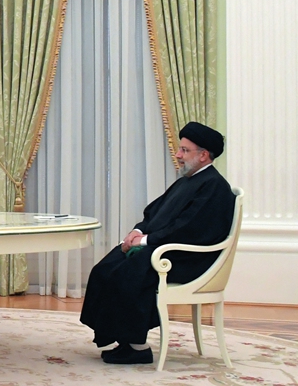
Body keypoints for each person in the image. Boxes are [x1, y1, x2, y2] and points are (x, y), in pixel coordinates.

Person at [80, 122, 236, 365]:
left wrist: (144, 241)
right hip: (165, 249)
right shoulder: (187, 181)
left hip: (188, 258)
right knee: (107, 268)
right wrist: (137, 231)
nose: (178, 155)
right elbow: (155, 212)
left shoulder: (214, 186)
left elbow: (189, 229)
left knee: (133, 271)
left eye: (184, 150)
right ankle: (120, 338)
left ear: (204, 155)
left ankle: (137, 346)